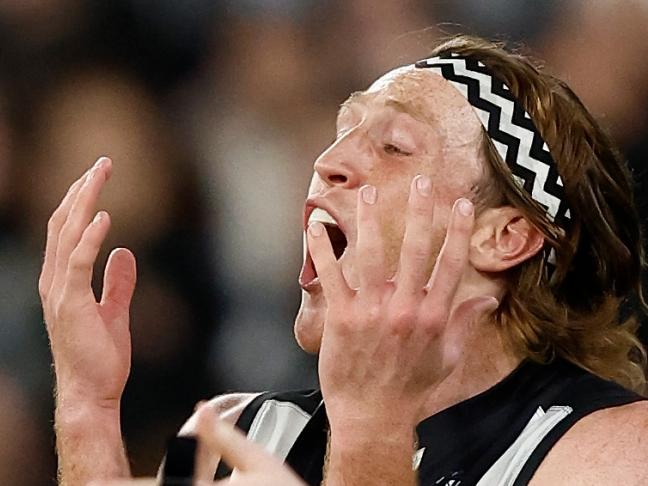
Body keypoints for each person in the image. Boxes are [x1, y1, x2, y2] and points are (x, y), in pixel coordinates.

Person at [41, 35, 648, 486]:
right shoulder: (233, 435)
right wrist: (86, 409)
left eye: (392, 145)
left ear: (505, 236)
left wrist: (372, 430)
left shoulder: (616, 449)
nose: (328, 159)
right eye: (341, 131)